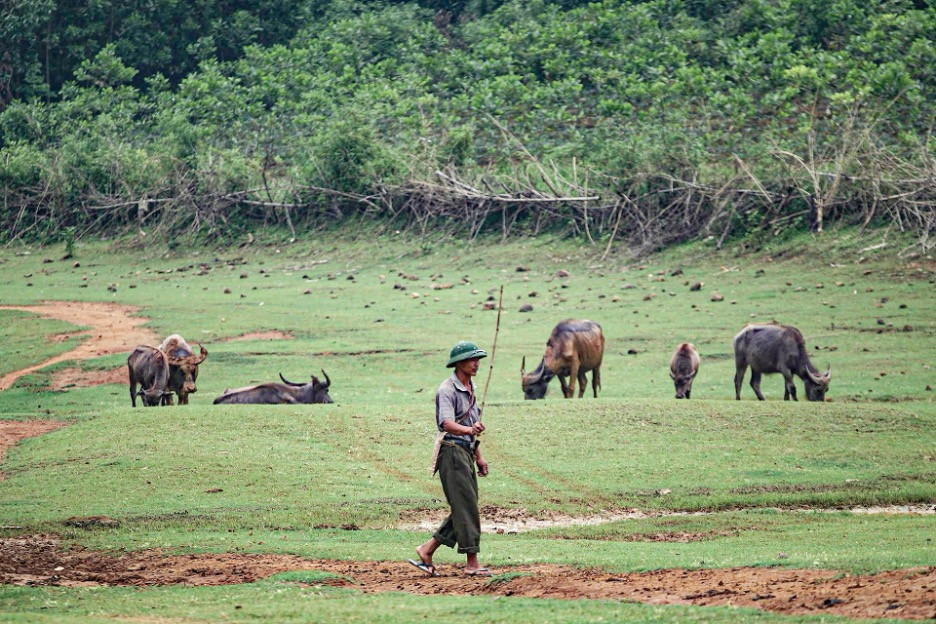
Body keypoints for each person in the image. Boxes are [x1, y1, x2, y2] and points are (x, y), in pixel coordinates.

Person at [409, 340, 492, 577]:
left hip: (465, 451)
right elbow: (446, 423)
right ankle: (472, 562)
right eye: (471, 359)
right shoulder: (447, 390)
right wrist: (469, 431)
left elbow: (471, 427)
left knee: (465, 505)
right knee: (466, 506)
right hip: (452, 452)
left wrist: (479, 457)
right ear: (459, 363)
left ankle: (427, 549)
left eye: (478, 360)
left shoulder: (471, 388)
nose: (476, 364)